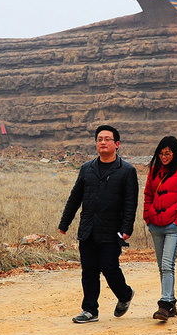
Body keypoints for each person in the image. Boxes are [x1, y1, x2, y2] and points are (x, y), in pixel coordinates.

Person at [58, 125, 139, 324]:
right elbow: (75, 197)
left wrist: (127, 228)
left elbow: (131, 202)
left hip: (112, 229)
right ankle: (90, 310)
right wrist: (65, 222)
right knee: (89, 269)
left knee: (109, 267)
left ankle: (125, 294)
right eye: (99, 139)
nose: (102, 142)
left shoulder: (127, 170)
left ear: (117, 144)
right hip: (88, 228)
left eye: (107, 139)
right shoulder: (87, 168)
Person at [143, 136, 177, 321]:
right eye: (161, 153)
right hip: (155, 225)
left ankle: (164, 304)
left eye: (168, 153)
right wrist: (147, 217)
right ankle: (171, 304)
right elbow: (148, 194)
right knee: (162, 266)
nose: (164, 157)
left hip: (173, 226)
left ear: (175, 153)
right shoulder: (154, 171)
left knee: (167, 265)